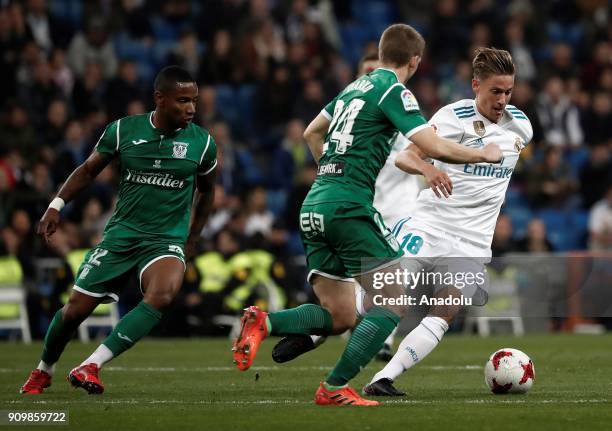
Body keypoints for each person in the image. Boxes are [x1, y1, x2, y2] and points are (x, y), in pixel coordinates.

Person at [231, 24, 502, 406]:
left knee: (339, 313)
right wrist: (481, 153)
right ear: (415, 61)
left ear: (381, 51)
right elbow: (429, 144)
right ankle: (334, 386)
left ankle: (265, 322)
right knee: (393, 301)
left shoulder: (351, 88)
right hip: (348, 205)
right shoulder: (394, 90)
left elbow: (311, 132)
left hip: (314, 204)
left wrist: (330, 171)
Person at [20, 66, 218, 395]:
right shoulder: (123, 131)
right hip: (122, 235)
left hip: (165, 239)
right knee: (74, 312)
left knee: (163, 295)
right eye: (183, 100)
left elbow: (208, 191)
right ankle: (44, 369)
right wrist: (56, 205)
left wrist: (192, 237)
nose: (191, 108)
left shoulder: (203, 143)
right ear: (160, 99)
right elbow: (87, 171)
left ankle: (91, 364)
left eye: (194, 100)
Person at [362, 47, 533, 396]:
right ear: (475, 85)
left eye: (508, 91)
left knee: (444, 312)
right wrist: (429, 169)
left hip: (471, 242)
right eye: (495, 91)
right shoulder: (451, 117)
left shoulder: (522, 128)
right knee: (382, 298)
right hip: (428, 225)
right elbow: (406, 157)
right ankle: (314, 326)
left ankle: (383, 378)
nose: (502, 99)